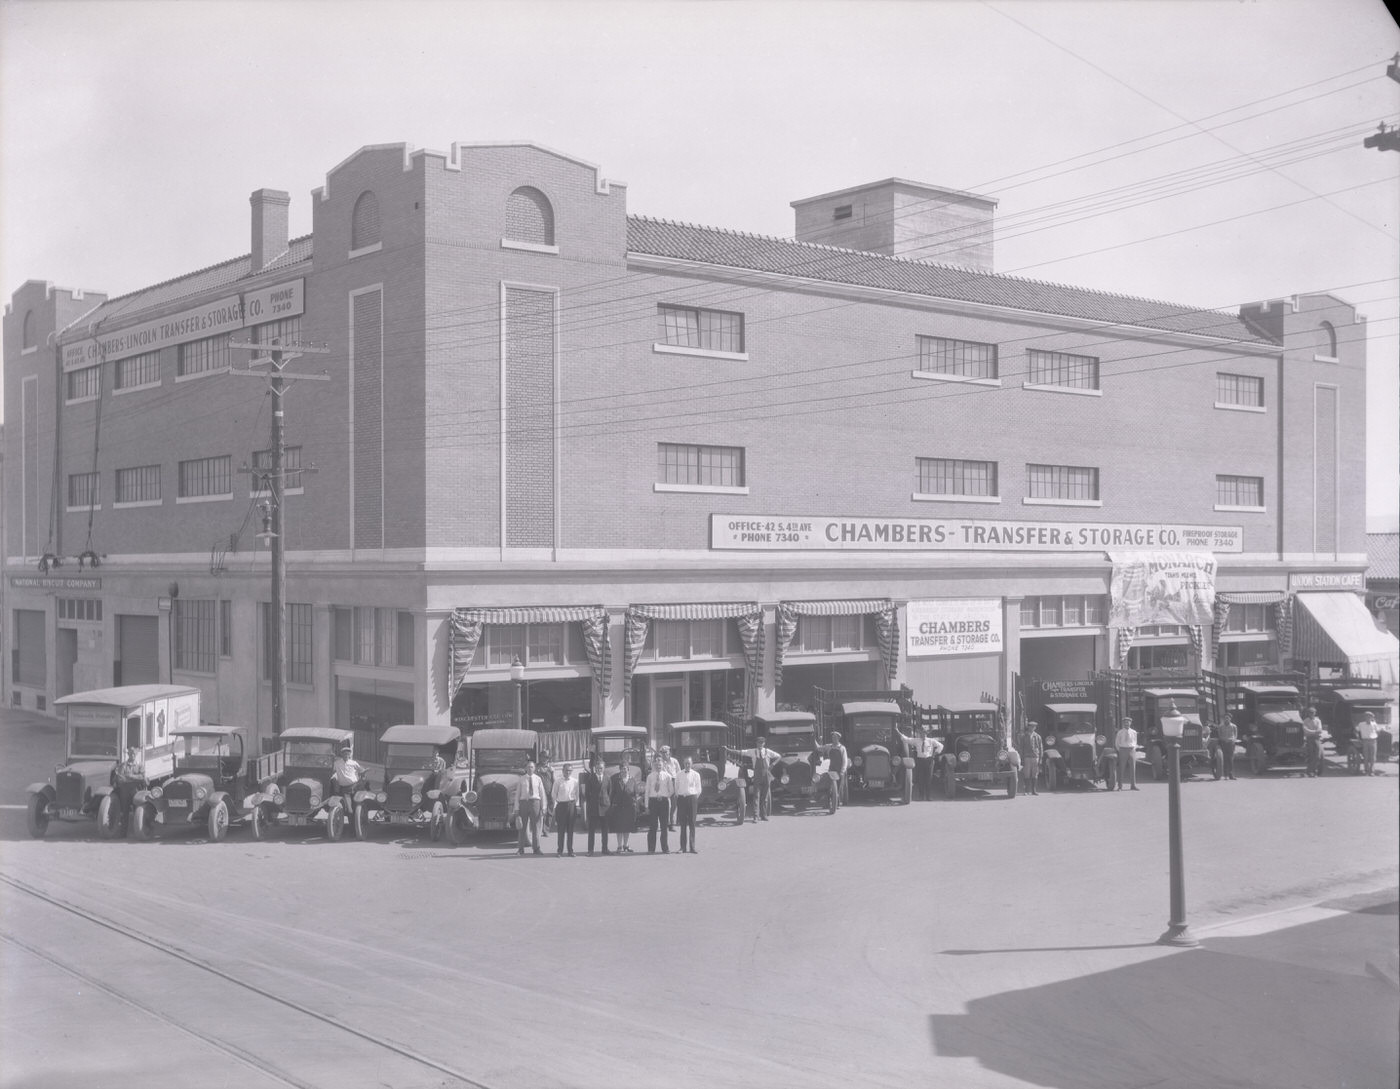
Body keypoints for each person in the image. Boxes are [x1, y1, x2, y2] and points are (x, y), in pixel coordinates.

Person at [580, 755, 612, 855]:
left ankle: (605, 849)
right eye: (598, 768)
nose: (599, 770)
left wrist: (607, 803)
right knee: (591, 831)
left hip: (604, 808)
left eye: (601, 768)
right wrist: (591, 803)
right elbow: (587, 794)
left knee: (605, 831)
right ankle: (590, 850)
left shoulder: (607, 778)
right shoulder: (590, 778)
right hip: (593, 808)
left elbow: (609, 792)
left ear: (604, 768)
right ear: (595, 768)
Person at [514, 760, 546, 856]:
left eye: (532, 767)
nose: (530, 769)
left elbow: (542, 793)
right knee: (522, 828)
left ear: (535, 768)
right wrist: (516, 808)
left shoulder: (538, 779)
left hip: (535, 803)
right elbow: (517, 795)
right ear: (525, 768)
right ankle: (520, 849)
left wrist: (543, 807)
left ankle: (536, 848)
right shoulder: (521, 779)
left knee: (536, 827)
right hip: (524, 803)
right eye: (528, 767)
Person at [607, 757, 639, 853]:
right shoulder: (615, 780)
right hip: (618, 807)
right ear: (620, 770)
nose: (624, 770)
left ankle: (626, 845)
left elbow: (636, 793)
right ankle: (619, 846)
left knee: (627, 827)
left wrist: (634, 803)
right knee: (619, 828)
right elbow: (612, 793)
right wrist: (612, 805)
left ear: (628, 769)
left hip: (629, 807)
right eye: (622, 769)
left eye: (625, 768)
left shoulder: (632, 780)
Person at [644, 755, 675, 854]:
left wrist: (665, 796)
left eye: (660, 765)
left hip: (663, 802)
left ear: (663, 765)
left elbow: (672, 790)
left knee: (664, 826)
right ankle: (651, 848)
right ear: (654, 765)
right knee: (652, 826)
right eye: (656, 765)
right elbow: (647, 791)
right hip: (653, 802)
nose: (658, 766)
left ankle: (665, 848)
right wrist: (646, 805)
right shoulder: (650, 776)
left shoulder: (667, 776)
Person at [674, 755, 702, 853]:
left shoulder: (696, 775)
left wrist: (693, 797)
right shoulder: (679, 774)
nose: (687, 765)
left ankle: (692, 847)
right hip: (682, 799)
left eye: (689, 763)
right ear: (683, 764)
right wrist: (680, 796)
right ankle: (682, 847)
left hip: (692, 799)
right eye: (685, 763)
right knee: (682, 825)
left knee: (692, 824)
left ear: (692, 764)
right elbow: (676, 787)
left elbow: (699, 789)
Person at [552, 762, 579, 857]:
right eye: (566, 770)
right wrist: (555, 807)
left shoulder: (575, 781)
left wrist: (576, 805)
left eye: (570, 770)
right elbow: (554, 794)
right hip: (561, 806)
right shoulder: (558, 781)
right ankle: (559, 851)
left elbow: (577, 795)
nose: (568, 772)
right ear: (562, 771)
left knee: (570, 830)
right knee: (561, 830)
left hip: (571, 805)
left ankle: (570, 851)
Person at [331, 743, 365, 814]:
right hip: (344, 787)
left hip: (354, 785)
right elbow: (332, 772)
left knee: (358, 801)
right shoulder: (337, 763)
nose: (346, 755)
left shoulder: (353, 763)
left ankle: (359, 813)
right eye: (344, 754)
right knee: (348, 806)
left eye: (347, 754)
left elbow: (361, 770)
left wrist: (363, 774)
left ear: (350, 755)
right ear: (342, 754)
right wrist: (333, 777)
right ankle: (349, 810)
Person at [750, 736, 777, 820]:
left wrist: (773, 764)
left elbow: (779, 756)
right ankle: (755, 816)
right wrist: (728, 750)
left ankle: (764, 815)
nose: (760, 744)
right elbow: (741, 752)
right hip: (757, 776)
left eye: (762, 742)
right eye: (759, 742)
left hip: (766, 776)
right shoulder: (752, 751)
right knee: (756, 797)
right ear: (756, 743)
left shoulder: (768, 751)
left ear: (764, 743)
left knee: (765, 797)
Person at [1016, 722, 1043, 795]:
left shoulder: (1037, 736)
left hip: (1035, 756)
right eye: (1031, 726)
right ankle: (1027, 790)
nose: (1032, 728)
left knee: (1035, 774)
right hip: (1027, 757)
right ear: (1028, 727)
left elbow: (1040, 748)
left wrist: (1040, 759)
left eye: (1034, 727)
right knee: (1026, 774)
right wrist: (1021, 759)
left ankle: (1034, 790)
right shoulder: (1024, 736)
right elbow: (1021, 748)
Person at [659, 745, 681, 830]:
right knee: (665, 804)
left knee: (674, 805)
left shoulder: (674, 761)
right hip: (664, 784)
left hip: (674, 782)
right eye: (663, 752)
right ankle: (665, 823)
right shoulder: (659, 762)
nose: (665, 754)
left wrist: (678, 784)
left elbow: (679, 773)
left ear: (669, 753)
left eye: (666, 752)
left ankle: (672, 823)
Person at [1114, 717, 1139, 791]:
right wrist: (1120, 750)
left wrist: (1134, 748)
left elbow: (1135, 741)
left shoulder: (1134, 732)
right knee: (1122, 768)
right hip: (1123, 749)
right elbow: (1117, 742)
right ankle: (1120, 786)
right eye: (1125, 722)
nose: (1127, 723)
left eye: (1128, 722)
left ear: (1130, 723)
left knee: (1133, 768)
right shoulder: (1120, 732)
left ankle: (1133, 785)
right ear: (1123, 723)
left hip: (1131, 750)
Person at [1355, 711, 1380, 776]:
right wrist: (1358, 738)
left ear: (1371, 718)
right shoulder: (1361, 724)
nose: (1368, 718)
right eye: (1367, 716)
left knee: (1373, 757)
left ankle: (1372, 771)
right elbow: (1356, 730)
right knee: (1366, 756)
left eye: (1370, 716)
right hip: (1365, 741)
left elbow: (1378, 731)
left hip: (1373, 741)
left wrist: (1375, 736)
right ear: (1365, 717)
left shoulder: (1374, 724)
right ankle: (1366, 770)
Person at [1301, 706, 1325, 777]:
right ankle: (1312, 772)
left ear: (1315, 713)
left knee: (1318, 756)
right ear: (1308, 713)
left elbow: (1320, 729)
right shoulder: (1305, 721)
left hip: (1317, 739)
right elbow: (1305, 730)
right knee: (1311, 755)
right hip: (1309, 739)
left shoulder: (1318, 720)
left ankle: (1310, 770)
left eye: (1313, 712)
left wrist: (1312, 731)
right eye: (1310, 713)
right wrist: (1315, 731)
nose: (1312, 714)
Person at [828, 731, 849, 807]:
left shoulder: (842, 748)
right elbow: (820, 748)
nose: (834, 739)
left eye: (835, 737)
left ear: (838, 738)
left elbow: (845, 760)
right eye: (833, 737)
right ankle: (830, 802)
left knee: (839, 787)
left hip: (839, 770)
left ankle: (837, 803)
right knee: (830, 786)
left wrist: (842, 771)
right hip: (831, 769)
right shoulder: (829, 746)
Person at [1216, 712, 1238, 780]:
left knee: (1230, 759)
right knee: (1224, 758)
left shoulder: (1234, 726)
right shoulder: (1220, 726)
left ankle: (1231, 775)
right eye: (1225, 718)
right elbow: (1219, 735)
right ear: (1223, 719)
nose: (1226, 719)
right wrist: (1224, 739)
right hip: (1223, 743)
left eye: (1228, 718)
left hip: (1231, 743)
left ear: (1230, 719)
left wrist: (1233, 740)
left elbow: (1235, 735)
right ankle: (1225, 775)